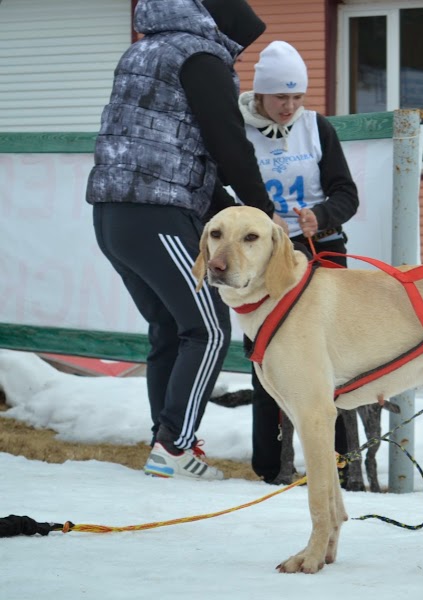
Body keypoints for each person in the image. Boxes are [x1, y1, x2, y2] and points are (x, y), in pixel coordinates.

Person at [86, 0, 285, 480]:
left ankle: (166, 445)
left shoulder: (142, 52)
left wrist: (225, 205)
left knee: (172, 328)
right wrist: (262, 209)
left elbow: (167, 150)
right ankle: (174, 446)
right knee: (210, 328)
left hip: (112, 213)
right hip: (156, 213)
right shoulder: (200, 58)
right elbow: (227, 141)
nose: (238, 55)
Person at [237, 41, 360, 485]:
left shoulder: (316, 127)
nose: (289, 106)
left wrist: (321, 214)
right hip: (267, 256)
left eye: (296, 97)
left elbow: (347, 192)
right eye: (279, 97)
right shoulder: (237, 127)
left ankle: (342, 465)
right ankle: (272, 466)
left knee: (334, 356)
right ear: (260, 95)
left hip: (321, 247)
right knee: (269, 352)